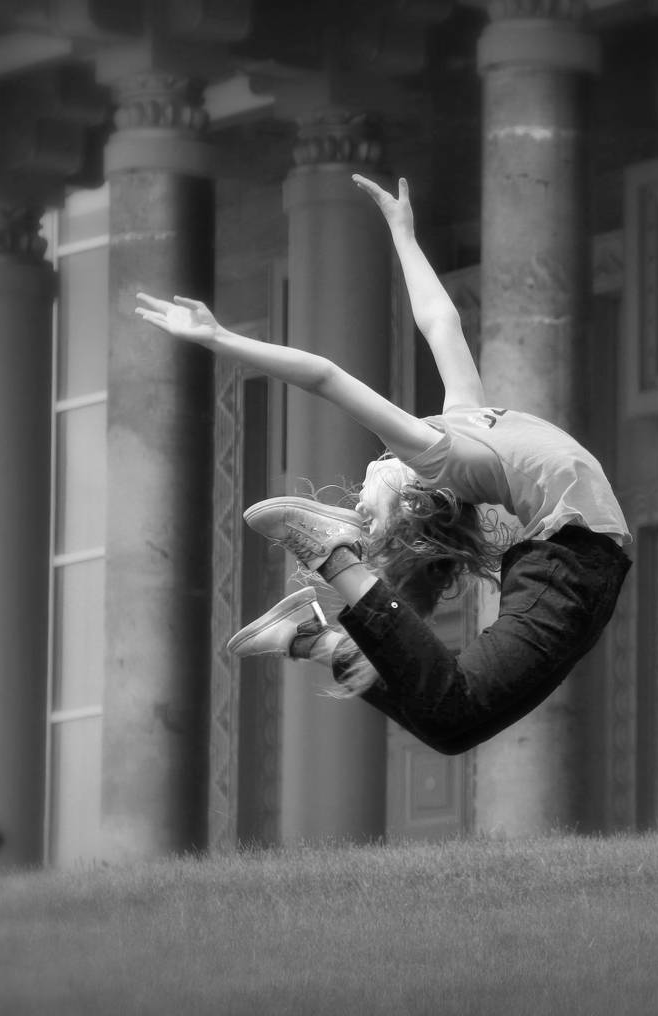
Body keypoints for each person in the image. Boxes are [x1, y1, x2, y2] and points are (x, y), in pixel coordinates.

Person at [134, 174, 631, 756]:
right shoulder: (441, 458)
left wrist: (404, 234)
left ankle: (323, 609)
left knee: (450, 720)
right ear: (412, 501)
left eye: (361, 515)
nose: (362, 496)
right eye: (367, 517)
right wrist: (219, 339)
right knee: (450, 719)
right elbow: (332, 372)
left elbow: (438, 323)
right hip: (575, 563)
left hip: (578, 563)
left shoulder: (449, 437)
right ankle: (324, 591)